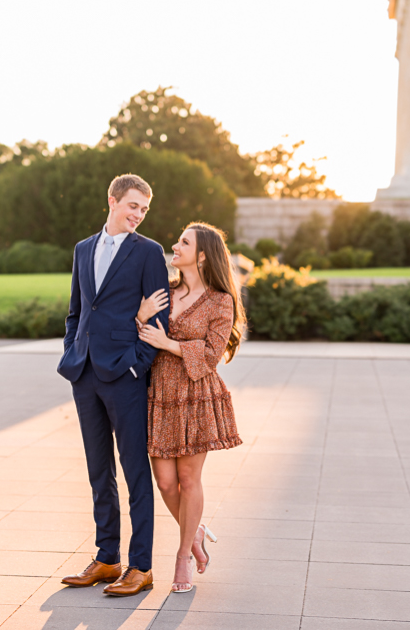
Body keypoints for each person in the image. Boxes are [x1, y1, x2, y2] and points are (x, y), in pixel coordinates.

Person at [57, 174, 171, 597]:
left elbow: (159, 317)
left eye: (144, 209)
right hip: (84, 373)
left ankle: (141, 566)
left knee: (135, 471)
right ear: (112, 200)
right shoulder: (83, 249)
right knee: (97, 469)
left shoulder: (149, 253)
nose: (138, 215)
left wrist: (136, 367)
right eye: (133, 206)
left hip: (125, 375)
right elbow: (76, 311)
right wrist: (72, 350)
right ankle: (107, 558)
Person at [135, 222, 245, 593]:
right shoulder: (164, 292)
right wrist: (140, 313)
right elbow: (141, 332)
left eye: (184, 242)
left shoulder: (220, 300)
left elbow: (213, 355)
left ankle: (183, 556)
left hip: (196, 394)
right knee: (165, 481)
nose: (174, 245)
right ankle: (195, 530)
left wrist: (169, 344)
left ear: (201, 255)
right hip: (161, 393)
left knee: (188, 479)